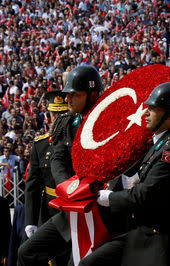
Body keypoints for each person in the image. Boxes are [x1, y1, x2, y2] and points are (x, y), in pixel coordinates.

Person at [81, 82, 170, 266]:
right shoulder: (160, 141)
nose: (145, 113)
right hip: (144, 233)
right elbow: (134, 168)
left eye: (153, 109)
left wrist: (106, 197)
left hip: (161, 240)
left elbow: (144, 194)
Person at [18, 65, 106, 266]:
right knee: (27, 252)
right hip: (69, 206)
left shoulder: (108, 123)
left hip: (98, 209)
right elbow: (57, 158)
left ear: (92, 94)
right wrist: (70, 188)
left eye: (74, 95)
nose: (67, 100)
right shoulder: (67, 123)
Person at [24, 91, 69, 236]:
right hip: (49, 209)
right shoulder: (40, 145)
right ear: (49, 116)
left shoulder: (77, 142)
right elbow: (33, 186)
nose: (57, 119)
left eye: (62, 114)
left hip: (73, 207)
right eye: (54, 115)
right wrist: (30, 221)